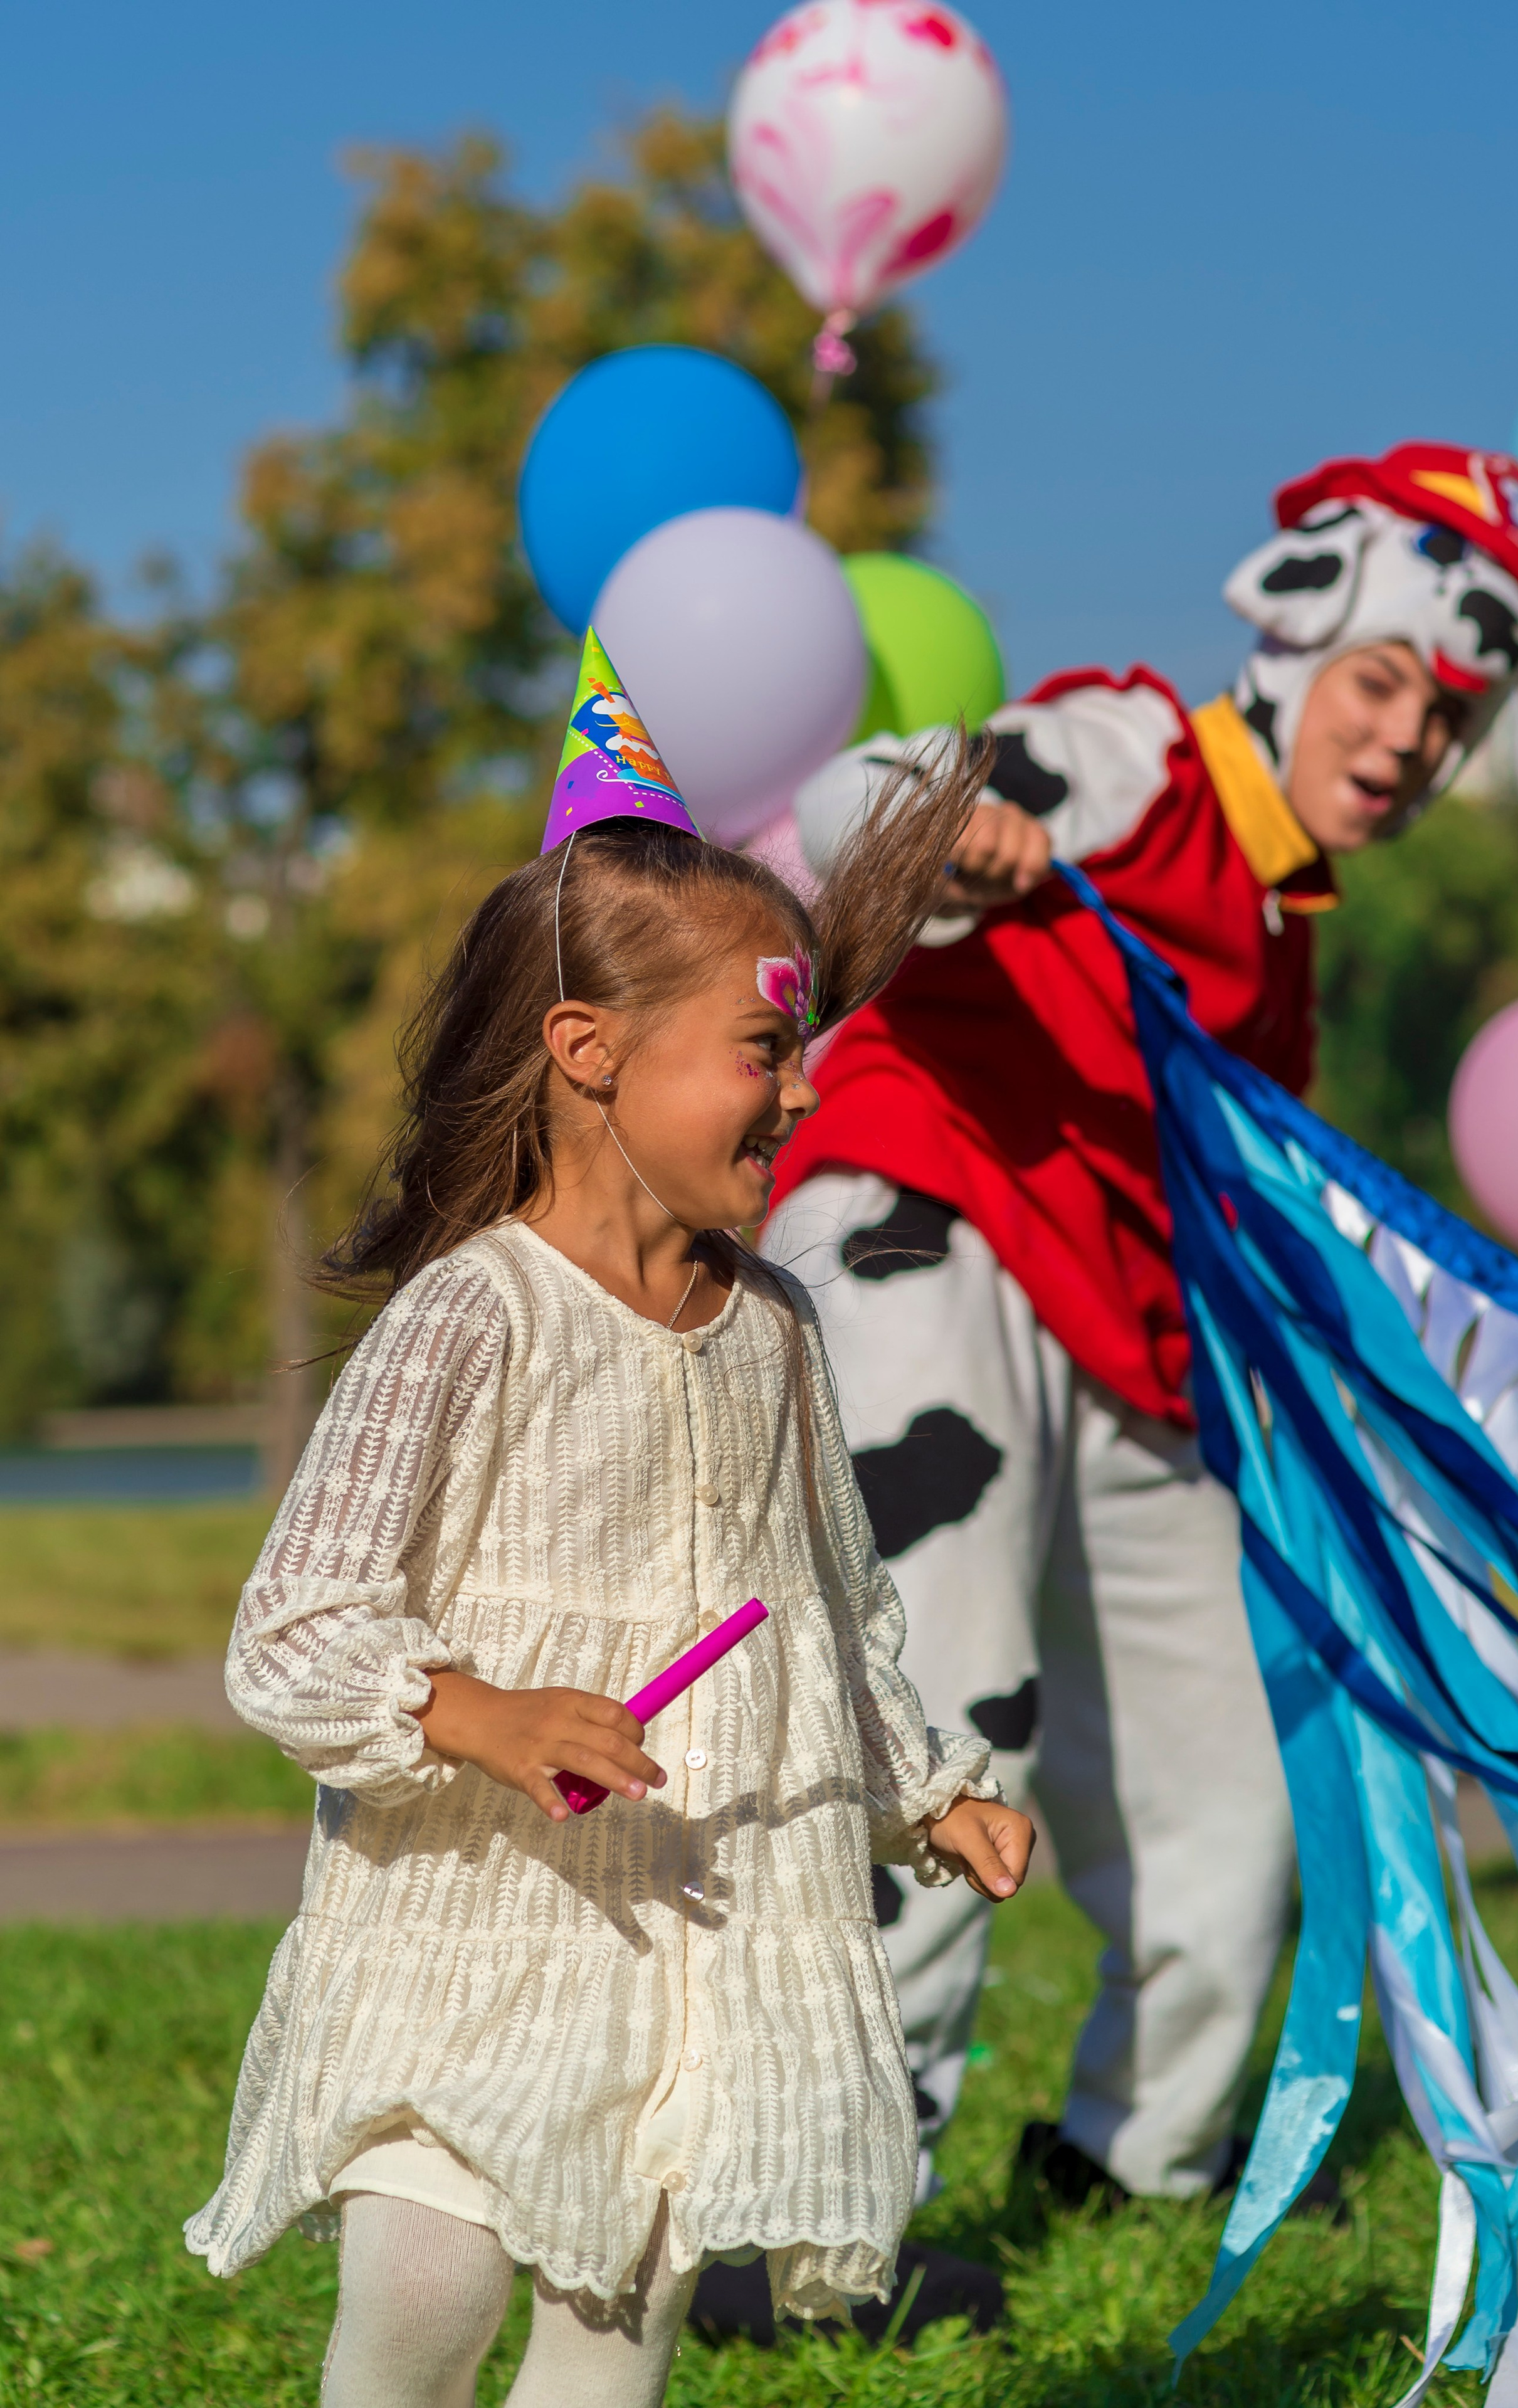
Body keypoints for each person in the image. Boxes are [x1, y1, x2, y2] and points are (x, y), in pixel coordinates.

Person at [183, 631, 1035, 2408]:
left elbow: (833, 1610)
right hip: (468, 1907)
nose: (799, 1094)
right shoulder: (474, 1314)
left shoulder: (776, 1333)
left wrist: (928, 1787)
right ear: (588, 1051)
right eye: (758, 1051)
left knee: (615, 2316)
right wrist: (472, 1715)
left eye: (800, 1052)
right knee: (424, 2282)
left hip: (685, 1909)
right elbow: (297, 1620)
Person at [764, 442, 1518, 2209]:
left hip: (1135, 1354)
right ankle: (827, 2226)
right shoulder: (1134, 749)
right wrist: (956, 823)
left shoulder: (1283, 924)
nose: (1404, 743)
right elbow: (851, 804)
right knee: (945, 1717)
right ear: (1298, 642)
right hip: (934, 1234)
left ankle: (1132, 2163)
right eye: (1384, 686)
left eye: (1449, 721)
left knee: (1246, 1795)